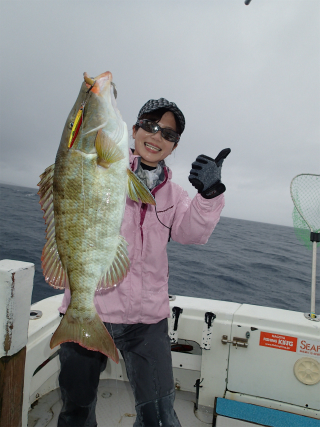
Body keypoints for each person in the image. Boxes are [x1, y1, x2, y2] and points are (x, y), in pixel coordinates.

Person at [57, 98, 229, 427]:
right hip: (89, 311)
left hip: (146, 322)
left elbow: (191, 234)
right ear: (132, 131)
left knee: (160, 416)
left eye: (168, 134)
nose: (156, 136)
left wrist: (209, 194)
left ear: (174, 145)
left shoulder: (175, 195)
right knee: (75, 410)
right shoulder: (99, 169)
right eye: (149, 127)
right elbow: (76, 152)